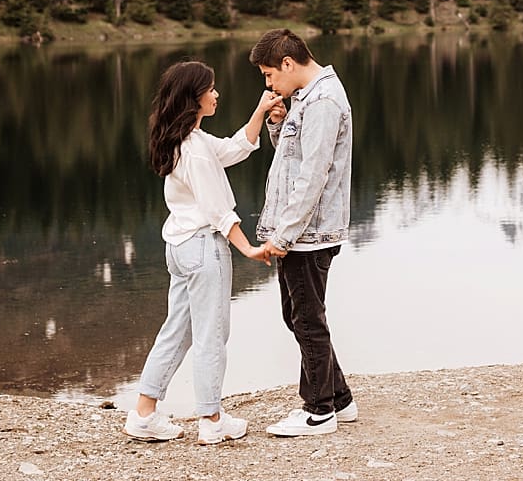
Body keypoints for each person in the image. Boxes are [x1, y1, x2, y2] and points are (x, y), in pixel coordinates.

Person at [124, 60, 284, 445]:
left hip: (178, 248)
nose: (216, 94)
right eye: (210, 90)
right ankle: (211, 419)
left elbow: (233, 149)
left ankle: (144, 414)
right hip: (201, 248)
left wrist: (260, 113)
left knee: (177, 330)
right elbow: (217, 210)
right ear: (193, 98)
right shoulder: (193, 151)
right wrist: (248, 249)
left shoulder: (186, 141)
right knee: (212, 334)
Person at [249, 28, 357, 437]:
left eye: (269, 75)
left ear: (288, 64)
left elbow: (314, 175)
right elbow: (295, 158)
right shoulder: (307, 99)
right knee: (297, 315)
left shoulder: (325, 101)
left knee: (307, 319)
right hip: (300, 231)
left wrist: (284, 235)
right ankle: (339, 399)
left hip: (308, 234)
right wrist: (278, 124)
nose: (269, 84)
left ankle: (318, 411)